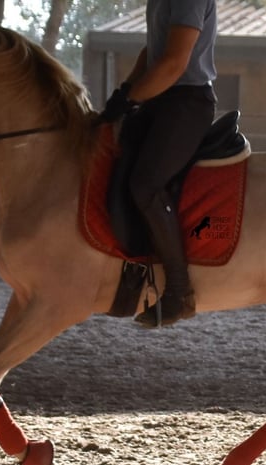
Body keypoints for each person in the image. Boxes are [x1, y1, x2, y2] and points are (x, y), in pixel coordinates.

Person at [100, 0, 218, 327]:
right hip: (159, 98)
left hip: (187, 102)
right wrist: (125, 91)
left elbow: (173, 63)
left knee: (146, 184)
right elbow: (152, 52)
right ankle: (129, 272)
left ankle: (179, 291)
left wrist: (129, 99)